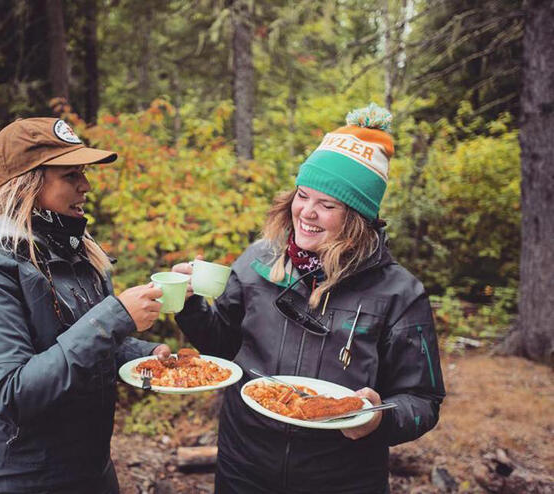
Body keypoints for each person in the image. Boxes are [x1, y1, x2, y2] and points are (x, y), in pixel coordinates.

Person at [172, 104, 445, 493]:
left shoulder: (399, 293)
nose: (307, 213)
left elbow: (423, 399)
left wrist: (378, 420)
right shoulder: (258, 261)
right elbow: (224, 346)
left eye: (327, 205)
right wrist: (189, 303)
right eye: (303, 195)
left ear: (357, 218)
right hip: (244, 465)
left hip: (342, 478)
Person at [0, 117, 169, 494]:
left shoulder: (77, 253)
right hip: (12, 482)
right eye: (71, 175)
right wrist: (114, 318)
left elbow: (75, 343)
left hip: (89, 471)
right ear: (28, 185)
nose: (85, 186)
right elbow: (8, 394)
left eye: (83, 173)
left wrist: (148, 356)